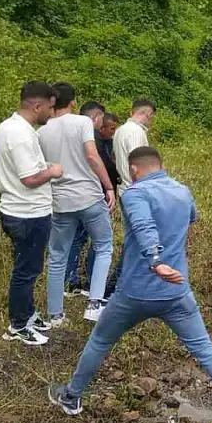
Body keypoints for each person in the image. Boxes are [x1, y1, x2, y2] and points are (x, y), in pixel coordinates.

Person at [47, 147, 212, 423]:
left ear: (134, 170)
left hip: (134, 293)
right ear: (160, 165)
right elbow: (190, 219)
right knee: (205, 348)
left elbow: (144, 225)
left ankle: (72, 397)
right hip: (176, 292)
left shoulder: (135, 194)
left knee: (99, 341)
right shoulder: (182, 191)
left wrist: (156, 261)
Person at [37, 84, 116, 324]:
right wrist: (108, 186)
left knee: (58, 255)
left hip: (60, 200)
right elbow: (92, 156)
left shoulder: (41, 131)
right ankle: (94, 303)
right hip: (89, 195)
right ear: (73, 102)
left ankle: (55, 314)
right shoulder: (82, 123)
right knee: (103, 246)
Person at [0, 81, 62, 346]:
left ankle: (28, 315)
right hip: (26, 213)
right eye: (50, 107)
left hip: (22, 209)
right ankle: (18, 326)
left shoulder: (12, 128)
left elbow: (28, 167)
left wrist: (43, 166)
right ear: (37, 105)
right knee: (26, 271)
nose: (51, 113)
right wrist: (53, 171)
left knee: (30, 267)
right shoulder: (20, 133)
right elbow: (29, 178)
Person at [104, 100, 155, 298]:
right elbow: (138, 164)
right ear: (148, 114)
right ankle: (113, 288)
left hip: (126, 190)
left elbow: (116, 158)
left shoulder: (120, 131)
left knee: (134, 240)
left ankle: (123, 286)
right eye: (152, 117)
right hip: (136, 192)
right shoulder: (136, 132)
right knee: (136, 242)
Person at [66, 110, 121, 295]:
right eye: (111, 128)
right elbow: (103, 164)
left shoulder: (105, 141)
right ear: (99, 122)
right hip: (94, 195)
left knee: (80, 238)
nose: (113, 132)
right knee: (97, 241)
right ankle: (92, 285)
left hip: (85, 195)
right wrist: (115, 181)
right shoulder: (93, 140)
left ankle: (74, 280)